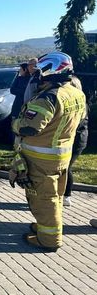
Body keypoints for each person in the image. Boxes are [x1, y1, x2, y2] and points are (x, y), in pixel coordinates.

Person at [10, 52, 86, 251]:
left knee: (43, 198)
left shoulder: (49, 97)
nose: (38, 75)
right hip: (62, 155)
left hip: (41, 158)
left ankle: (49, 239)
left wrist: (15, 124)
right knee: (56, 195)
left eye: (41, 71)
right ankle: (47, 226)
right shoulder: (76, 93)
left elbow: (30, 127)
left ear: (51, 69)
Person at [63, 76, 89, 207]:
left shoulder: (80, 104)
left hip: (77, 140)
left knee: (66, 166)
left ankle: (67, 195)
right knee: (63, 166)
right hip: (70, 138)